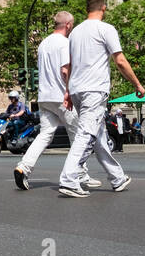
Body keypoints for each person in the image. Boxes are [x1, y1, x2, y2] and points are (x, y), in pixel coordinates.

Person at [59, 0, 145, 197]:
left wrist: (69, 91)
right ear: (103, 8)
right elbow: (121, 61)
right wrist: (137, 84)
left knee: (98, 134)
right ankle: (69, 179)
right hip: (94, 89)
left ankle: (117, 178)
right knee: (86, 133)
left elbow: (69, 65)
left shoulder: (75, 32)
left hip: (78, 89)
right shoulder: (106, 29)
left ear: (86, 9)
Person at [13, 11, 100, 190]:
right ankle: (79, 175)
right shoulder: (64, 43)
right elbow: (65, 71)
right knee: (78, 136)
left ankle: (23, 167)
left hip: (44, 97)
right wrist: (69, 92)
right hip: (61, 96)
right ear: (68, 25)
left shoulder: (43, 44)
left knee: (44, 135)